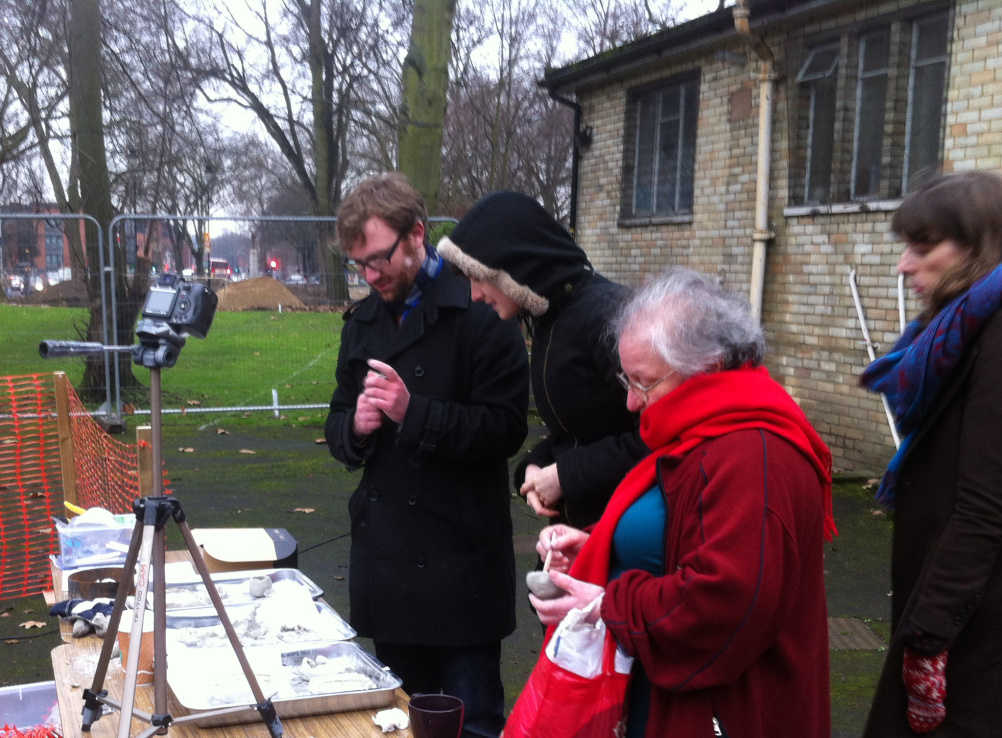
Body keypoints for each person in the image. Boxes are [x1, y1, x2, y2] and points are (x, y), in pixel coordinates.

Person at [529, 266, 836, 738]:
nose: (631, 403)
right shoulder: (701, 428)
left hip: (729, 714)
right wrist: (597, 545)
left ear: (706, 370)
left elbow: (724, 604)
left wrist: (609, 604)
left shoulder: (754, 456)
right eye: (625, 379)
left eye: (642, 382)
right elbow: (681, 526)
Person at [324, 173, 530, 738]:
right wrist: (357, 428)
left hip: (460, 563)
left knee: (471, 724)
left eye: (379, 259)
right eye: (358, 265)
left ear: (417, 234)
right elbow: (338, 422)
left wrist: (414, 413)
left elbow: (506, 429)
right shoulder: (363, 323)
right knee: (398, 723)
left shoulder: (483, 311)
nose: (369, 276)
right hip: (389, 565)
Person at [860, 171, 1002, 736]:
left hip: (975, 620)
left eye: (922, 248)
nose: (904, 265)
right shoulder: (958, 328)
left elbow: (986, 506)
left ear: (977, 248)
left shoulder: (996, 336)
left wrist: (928, 635)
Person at [438, 191, 648, 527]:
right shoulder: (551, 316)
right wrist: (536, 468)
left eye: (478, 277)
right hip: (576, 531)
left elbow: (659, 435)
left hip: (624, 537)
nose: (474, 295)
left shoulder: (609, 318)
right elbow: (582, 431)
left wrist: (565, 474)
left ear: (513, 264)